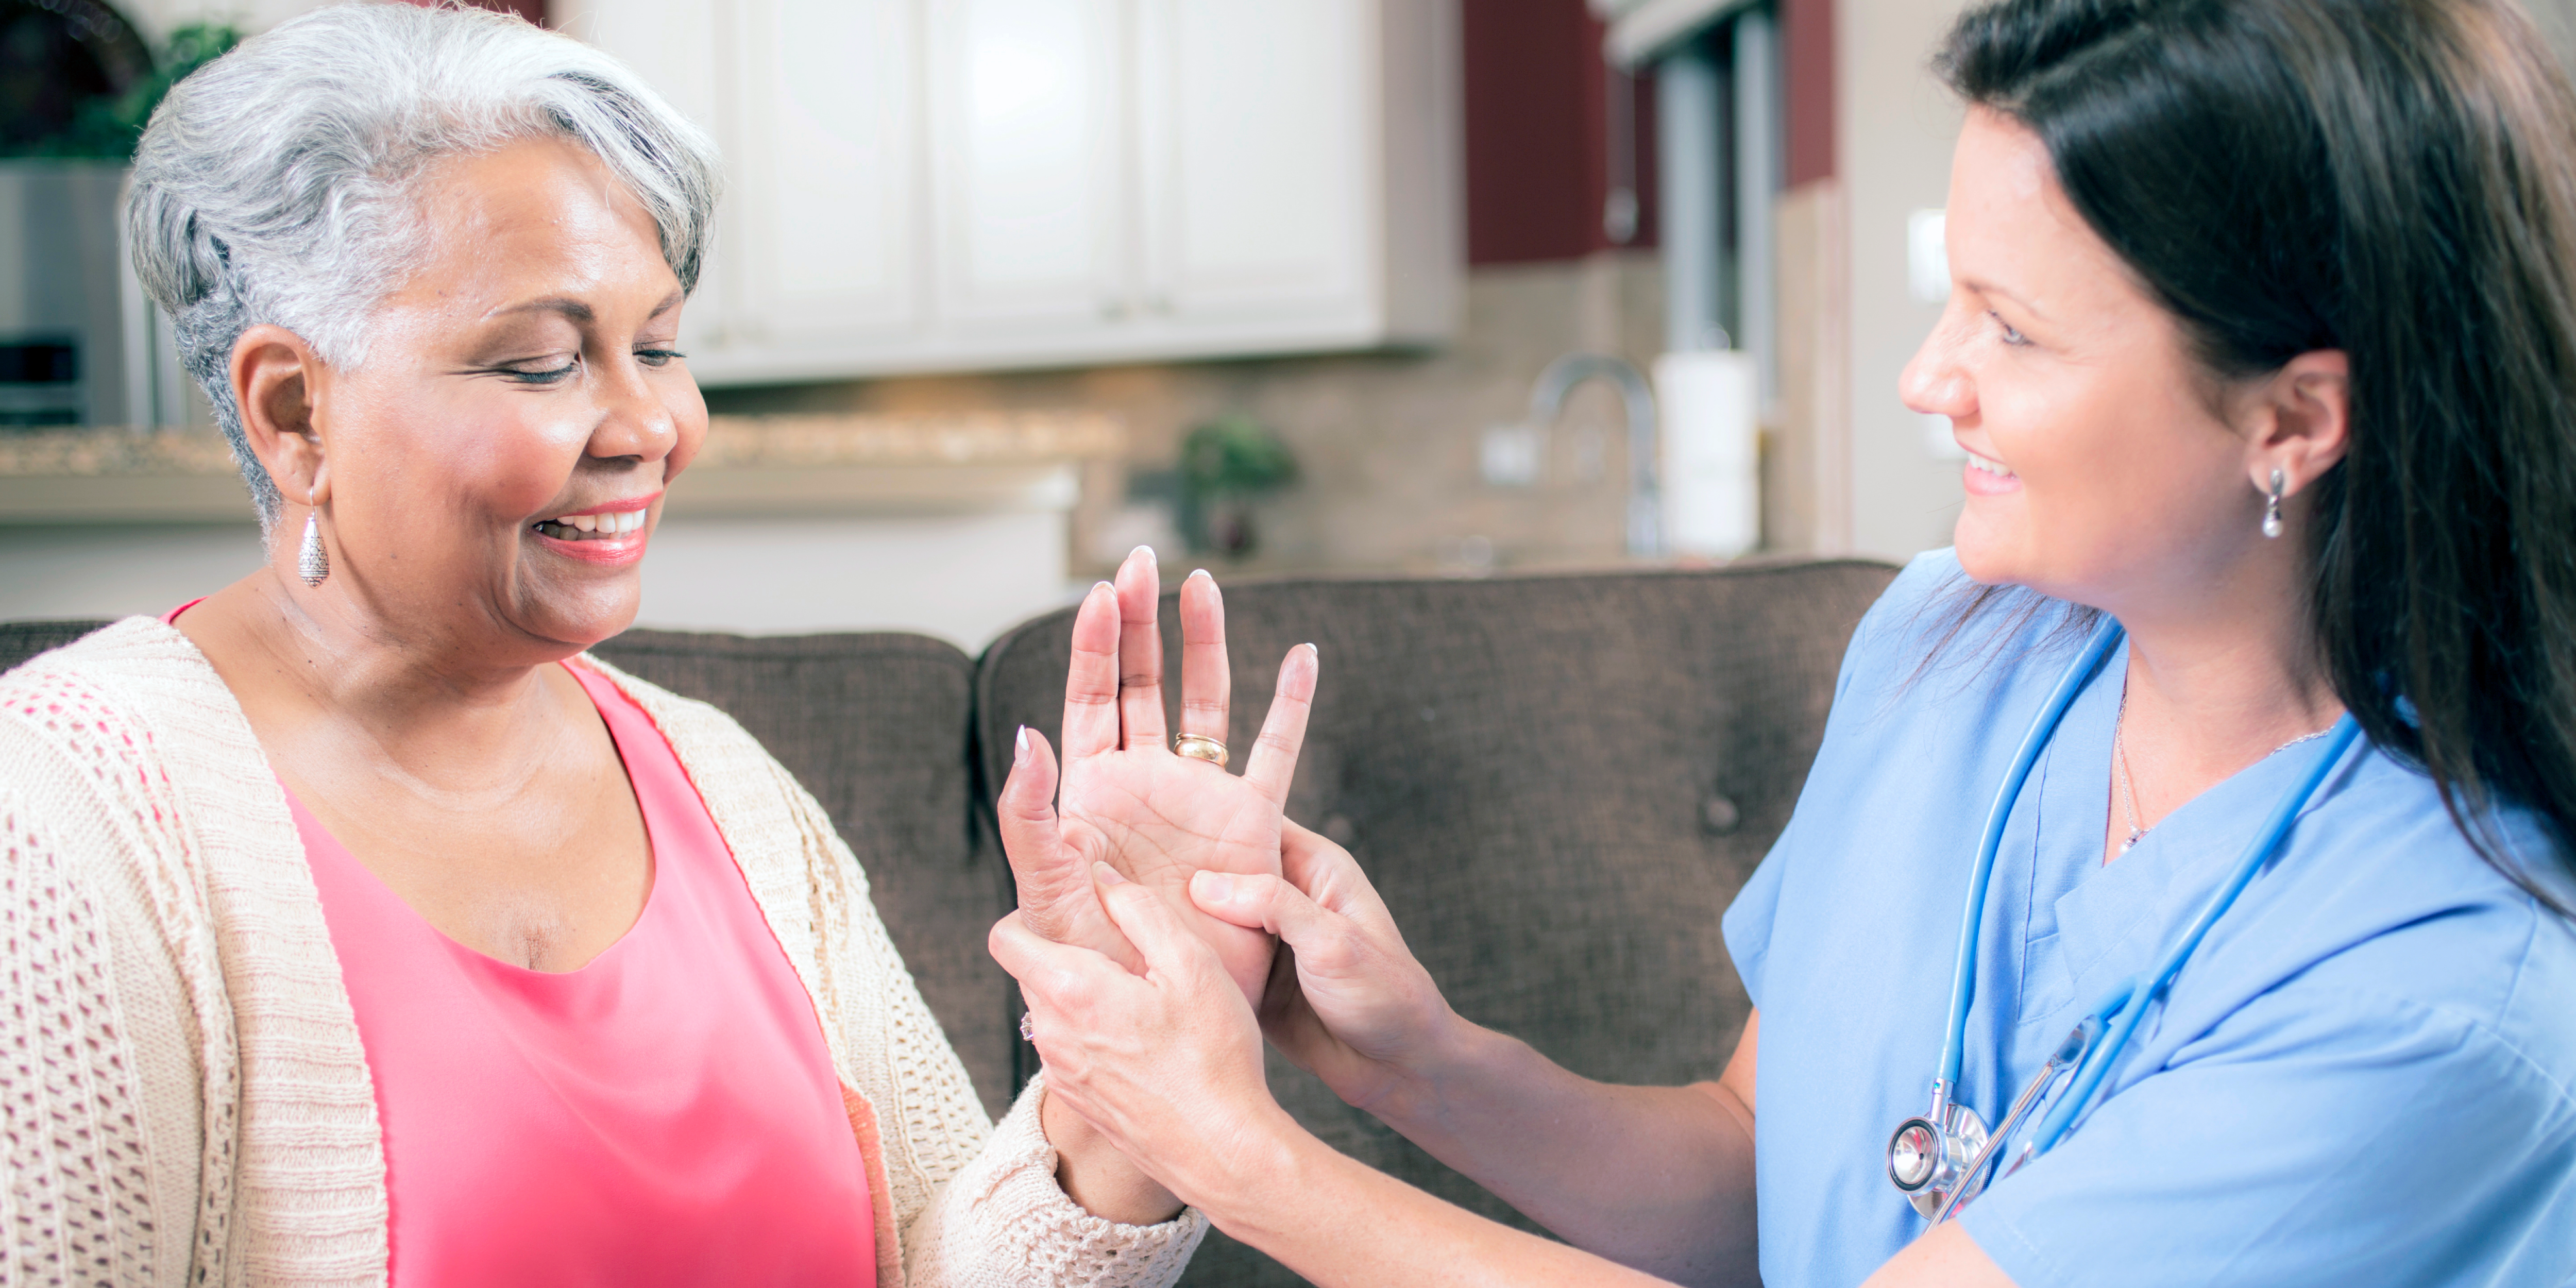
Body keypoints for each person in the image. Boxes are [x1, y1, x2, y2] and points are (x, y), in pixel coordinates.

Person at [990, 0, 2576, 1284]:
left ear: (2294, 417)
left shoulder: (2447, 992)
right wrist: (1406, 1058)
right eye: (1952, 297)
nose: (1929, 375)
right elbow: (1766, 1166)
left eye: (2012, 329)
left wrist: (1231, 1155)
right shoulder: (1953, 646)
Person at [0, 5, 1315, 1283]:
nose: (652, 425)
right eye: (538, 363)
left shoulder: (721, 778)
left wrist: (1124, 1079)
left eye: (660, 344)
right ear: (297, 413)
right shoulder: (67, 817)